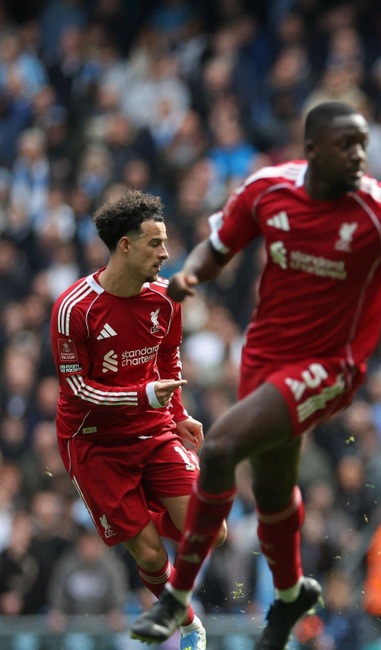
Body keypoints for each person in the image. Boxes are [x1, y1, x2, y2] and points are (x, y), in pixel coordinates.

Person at [129, 101, 381, 650]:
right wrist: (191, 272)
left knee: (218, 450)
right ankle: (290, 595)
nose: (359, 155)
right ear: (312, 149)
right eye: (345, 144)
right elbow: (218, 248)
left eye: (363, 143)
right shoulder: (268, 189)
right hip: (264, 356)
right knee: (270, 490)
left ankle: (175, 597)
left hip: (331, 366)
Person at [50, 189, 225, 650]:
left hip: (152, 429)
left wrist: (180, 413)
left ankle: (144, 506)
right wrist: (142, 394)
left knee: (213, 532)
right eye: (154, 243)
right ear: (125, 245)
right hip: (93, 443)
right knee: (148, 551)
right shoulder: (74, 310)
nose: (165, 253)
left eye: (165, 243)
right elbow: (76, 390)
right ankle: (188, 625)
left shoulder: (167, 298)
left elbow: (169, 357)